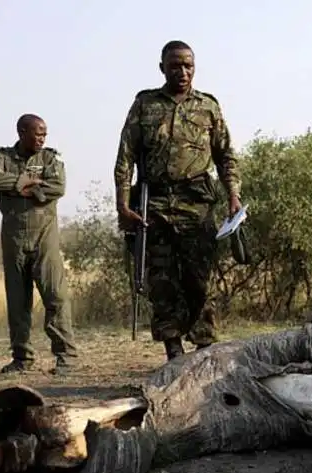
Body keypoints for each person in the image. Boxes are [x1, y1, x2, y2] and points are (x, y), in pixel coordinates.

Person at [114, 40, 241, 361]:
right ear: (162, 68)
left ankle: (204, 346)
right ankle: (173, 349)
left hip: (196, 203)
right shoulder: (145, 104)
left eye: (188, 66)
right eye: (175, 66)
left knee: (199, 278)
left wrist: (233, 197)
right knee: (162, 281)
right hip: (153, 203)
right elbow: (124, 157)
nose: (182, 72)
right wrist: (122, 205)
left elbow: (226, 155)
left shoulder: (208, 106)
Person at [0, 114, 78, 374]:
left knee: (56, 296)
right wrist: (22, 183)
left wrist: (30, 189)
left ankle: (66, 357)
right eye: (37, 133)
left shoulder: (50, 158)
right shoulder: (0, 157)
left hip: (45, 236)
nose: (42, 139)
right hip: (13, 237)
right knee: (17, 300)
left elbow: (58, 186)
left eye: (44, 134)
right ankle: (21, 358)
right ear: (21, 132)